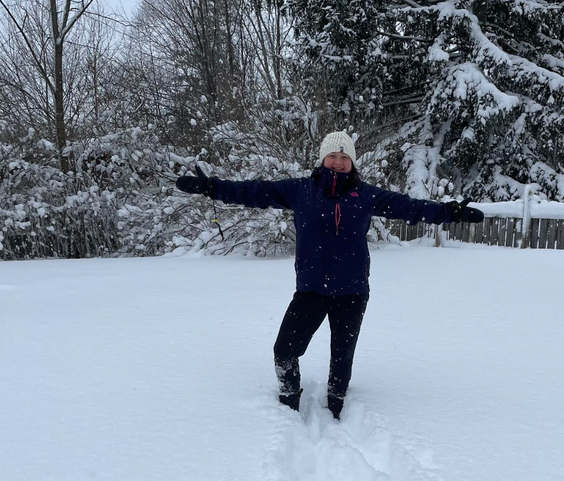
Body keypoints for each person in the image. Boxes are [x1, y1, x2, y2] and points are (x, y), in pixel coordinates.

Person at [175, 131, 484, 419]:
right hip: (311, 290)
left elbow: (410, 208)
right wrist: (211, 187)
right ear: (322, 159)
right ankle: (287, 404)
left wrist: (450, 212)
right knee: (284, 351)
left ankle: (336, 410)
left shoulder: (366, 195)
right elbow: (255, 192)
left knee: (341, 359)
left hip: (351, 291)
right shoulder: (299, 191)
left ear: (352, 163)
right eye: (333, 156)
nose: (338, 162)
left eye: (344, 157)